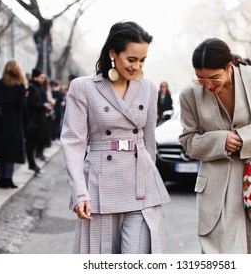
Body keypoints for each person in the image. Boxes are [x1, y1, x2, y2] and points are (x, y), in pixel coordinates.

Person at [60, 21, 171, 254]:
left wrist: (145, 172)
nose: (137, 66)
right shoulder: (83, 87)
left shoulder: (148, 88)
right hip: (100, 184)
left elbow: (149, 140)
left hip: (141, 183)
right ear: (113, 53)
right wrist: (80, 192)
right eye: (131, 59)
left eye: (142, 60)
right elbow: (73, 142)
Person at [178, 38, 251, 254]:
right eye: (200, 78)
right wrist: (220, 141)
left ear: (229, 67)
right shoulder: (189, 96)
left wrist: (246, 137)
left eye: (214, 77)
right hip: (218, 189)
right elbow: (188, 141)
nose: (208, 85)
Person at [0, 60, 26, 189]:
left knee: (1, 152)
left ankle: (1, 179)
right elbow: (21, 105)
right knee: (10, 153)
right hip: (13, 123)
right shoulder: (20, 85)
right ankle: (8, 178)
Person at [24, 68, 52, 174]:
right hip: (32, 122)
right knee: (31, 144)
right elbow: (31, 105)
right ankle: (32, 165)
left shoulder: (37, 87)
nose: (43, 79)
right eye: (41, 77)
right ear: (35, 77)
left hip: (37, 121)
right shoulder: (32, 88)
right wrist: (43, 106)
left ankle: (33, 164)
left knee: (34, 143)